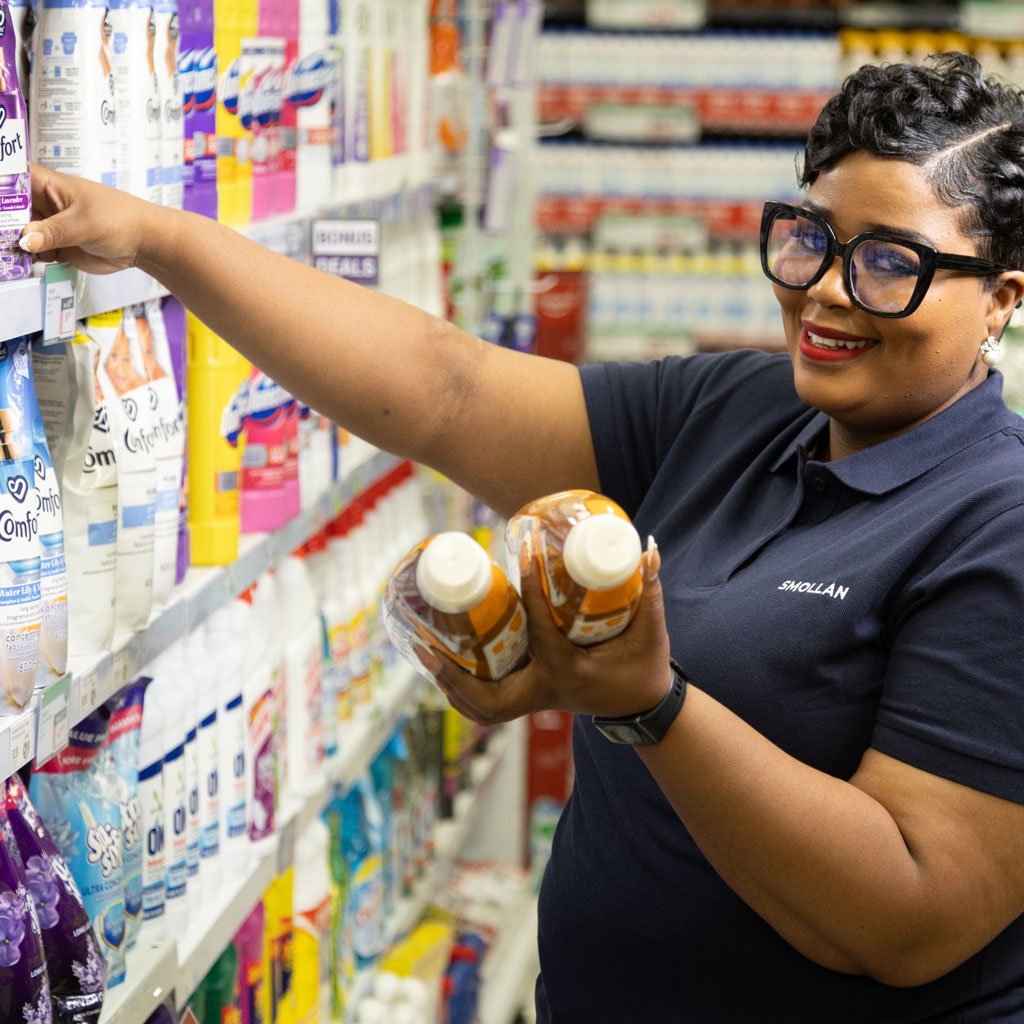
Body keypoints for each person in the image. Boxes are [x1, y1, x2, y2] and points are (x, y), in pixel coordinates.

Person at [18, 51, 1024, 1022]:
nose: (829, 288)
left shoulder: (999, 522)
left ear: (1001, 299)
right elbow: (446, 390)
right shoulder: (743, 412)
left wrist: (648, 706)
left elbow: (910, 912)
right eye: (813, 236)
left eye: (892, 261)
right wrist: (160, 239)